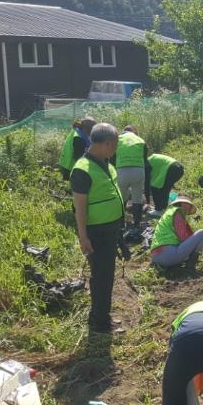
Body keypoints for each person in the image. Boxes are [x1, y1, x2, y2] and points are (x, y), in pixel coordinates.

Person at [70, 123, 124, 333]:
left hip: (109, 230)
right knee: (101, 277)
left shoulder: (106, 164)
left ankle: (101, 316)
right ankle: (100, 323)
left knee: (106, 275)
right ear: (108, 143)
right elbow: (80, 208)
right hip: (96, 232)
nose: (116, 148)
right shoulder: (82, 170)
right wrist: (83, 237)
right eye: (116, 144)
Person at [150, 196, 203, 271]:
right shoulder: (177, 213)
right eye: (188, 205)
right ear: (183, 204)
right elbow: (183, 237)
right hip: (168, 255)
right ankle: (190, 267)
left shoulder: (169, 213)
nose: (189, 208)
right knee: (202, 233)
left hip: (157, 256)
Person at [115, 126, 149, 227]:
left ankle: (121, 223)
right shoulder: (141, 140)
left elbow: (111, 156)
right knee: (137, 198)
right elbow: (144, 158)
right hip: (138, 170)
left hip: (121, 170)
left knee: (121, 197)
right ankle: (137, 223)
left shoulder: (118, 139)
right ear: (134, 132)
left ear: (123, 131)